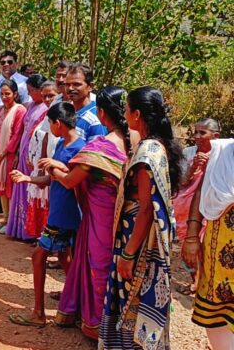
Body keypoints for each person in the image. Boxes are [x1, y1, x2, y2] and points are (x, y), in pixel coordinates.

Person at [100, 86, 183, 350]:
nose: (124, 115)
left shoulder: (148, 151)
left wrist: (128, 254)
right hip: (144, 238)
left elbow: (146, 207)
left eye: (126, 110)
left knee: (131, 301)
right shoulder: (161, 146)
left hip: (138, 238)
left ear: (137, 114)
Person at [45, 87, 131, 340]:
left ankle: (96, 325)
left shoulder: (101, 147)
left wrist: (53, 169)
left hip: (99, 217)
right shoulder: (135, 143)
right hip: (125, 217)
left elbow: (71, 181)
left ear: (102, 114)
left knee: (97, 266)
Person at [8, 102, 86, 329]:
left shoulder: (78, 149)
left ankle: (39, 313)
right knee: (64, 257)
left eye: (50, 123)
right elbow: (53, 177)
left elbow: (71, 180)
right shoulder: (64, 143)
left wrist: (55, 166)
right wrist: (27, 178)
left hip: (64, 213)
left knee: (39, 256)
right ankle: (77, 305)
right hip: (61, 208)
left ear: (58, 123)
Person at [182, 138, 234, 350]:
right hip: (218, 258)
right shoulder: (221, 153)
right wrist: (192, 236)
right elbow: (200, 193)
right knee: (216, 317)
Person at [4, 74, 49, 239]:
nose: (30, 94)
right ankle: (18, 227)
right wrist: (17, 152)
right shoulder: (30, 106)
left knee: (32, 191)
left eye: (32, 90)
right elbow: (23, 130)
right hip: (24, 153)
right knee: (21, 189)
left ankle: (31, 231)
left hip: (35, 156)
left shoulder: (46, 108)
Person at [174, 118, 220, 242]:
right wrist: (193, 167)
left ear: (215, 136)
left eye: (202, 133)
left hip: (210, 207)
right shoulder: (188, 152)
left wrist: (209, 166)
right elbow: (182, 182)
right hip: (185, 210)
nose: (197, 136)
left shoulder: (221, 154)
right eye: (196, 132)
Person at [22, 82, 59, 237]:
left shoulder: (61, 114)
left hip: (54, 167)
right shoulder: (45, 115)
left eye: (51, 95)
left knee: (51, 204)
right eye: (44, 96)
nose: (47, 99)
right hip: (40, 165)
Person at [0, 80, 26, 222]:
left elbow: (17, 135)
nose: (4, 97)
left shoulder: (20, 110)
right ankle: (5, 218)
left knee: (10, 186)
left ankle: (12, 221)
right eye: (2, 94)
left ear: (15, 94)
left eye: (8, 94)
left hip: (9, 155)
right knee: (0, 185)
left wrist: (3, 153)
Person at [0, 50, 29, 119]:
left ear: (16, 64)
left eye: (10, 62)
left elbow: (27, 106)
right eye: (3, 62)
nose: (6, 64)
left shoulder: (25, 82)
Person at [65, 63, 106, 141]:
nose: (70, 88)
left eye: (76, 84)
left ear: (90, 86)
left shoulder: (95, 118)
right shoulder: (67, 113)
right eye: (67, 84)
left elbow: (97, 151)